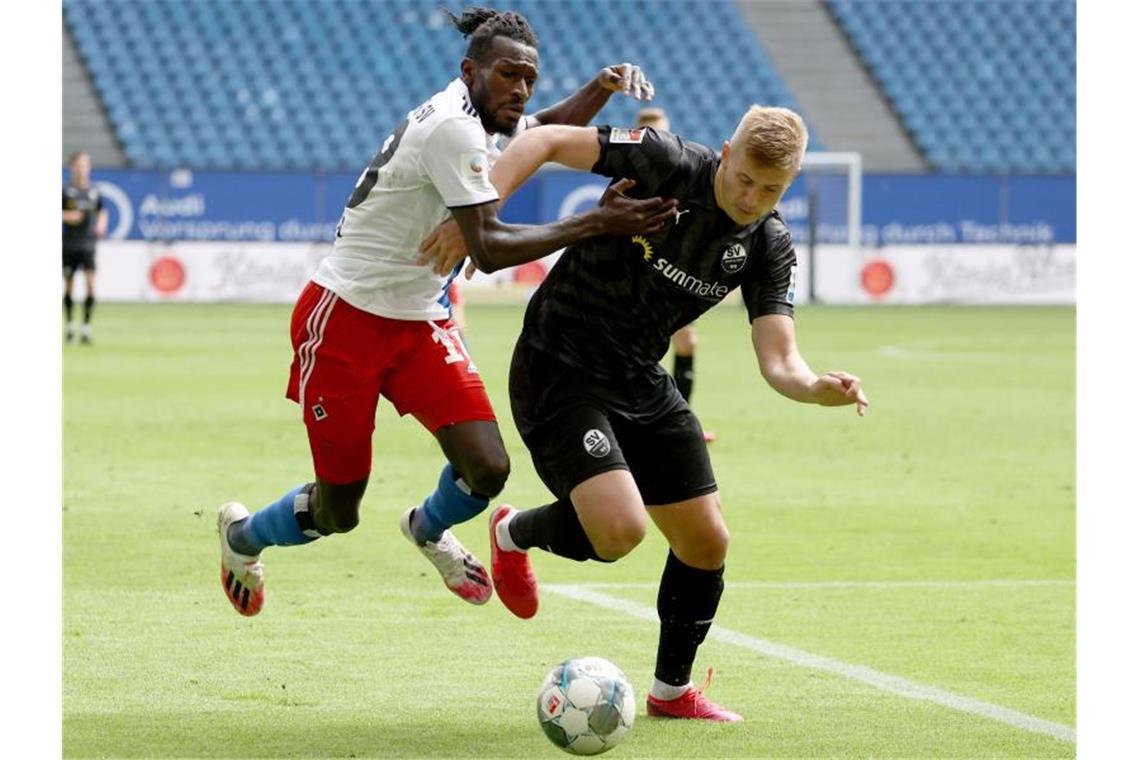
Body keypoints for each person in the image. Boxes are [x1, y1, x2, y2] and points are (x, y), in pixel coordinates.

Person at [215, 6, 677, 618]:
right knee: (339, 509)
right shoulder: (453, 130)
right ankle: (241, 538)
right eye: (509, 75)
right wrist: (597, 222)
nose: (520, 91)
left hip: (419, 323)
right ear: (471, 70)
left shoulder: (478, 116)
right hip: (345, 320)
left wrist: (599, 86)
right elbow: (486, 250)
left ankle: (426, 529)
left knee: (487, 468)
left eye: (528, 80)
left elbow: (539, 132)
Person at [422, 106, 869, 721]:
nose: (751, 197)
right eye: (744, 179)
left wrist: (815, 387)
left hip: (639, 376)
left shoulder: (768, 243)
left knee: (706, 540)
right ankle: (514, 532)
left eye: (771, 190)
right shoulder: (665, 161)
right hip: (560, 363)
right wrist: (477, 219)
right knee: (619, 533)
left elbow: (779, 358)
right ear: (725, 152)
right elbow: (548, 138)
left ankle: (671, 692)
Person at [635, 107, 715, 442]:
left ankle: (681, 423)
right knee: (637, 348)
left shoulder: (685, 176)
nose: (662, 142)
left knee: (686, 340)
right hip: (635, 274)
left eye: (666, 134)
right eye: (654, 135)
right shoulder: (630, 178)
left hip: (670, 273)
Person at [62, 151, 107, 345]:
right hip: (70, 244)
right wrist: (67, 216)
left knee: (90, 284)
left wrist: (101, 224)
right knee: (69, 285)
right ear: (72, 167)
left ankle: (86, 328)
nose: (83, 168)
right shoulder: (65, 191)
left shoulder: (94, 191)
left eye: (86, 164)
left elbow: (102, 210)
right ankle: (70, 326)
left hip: (88, 244)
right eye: (79, 164)